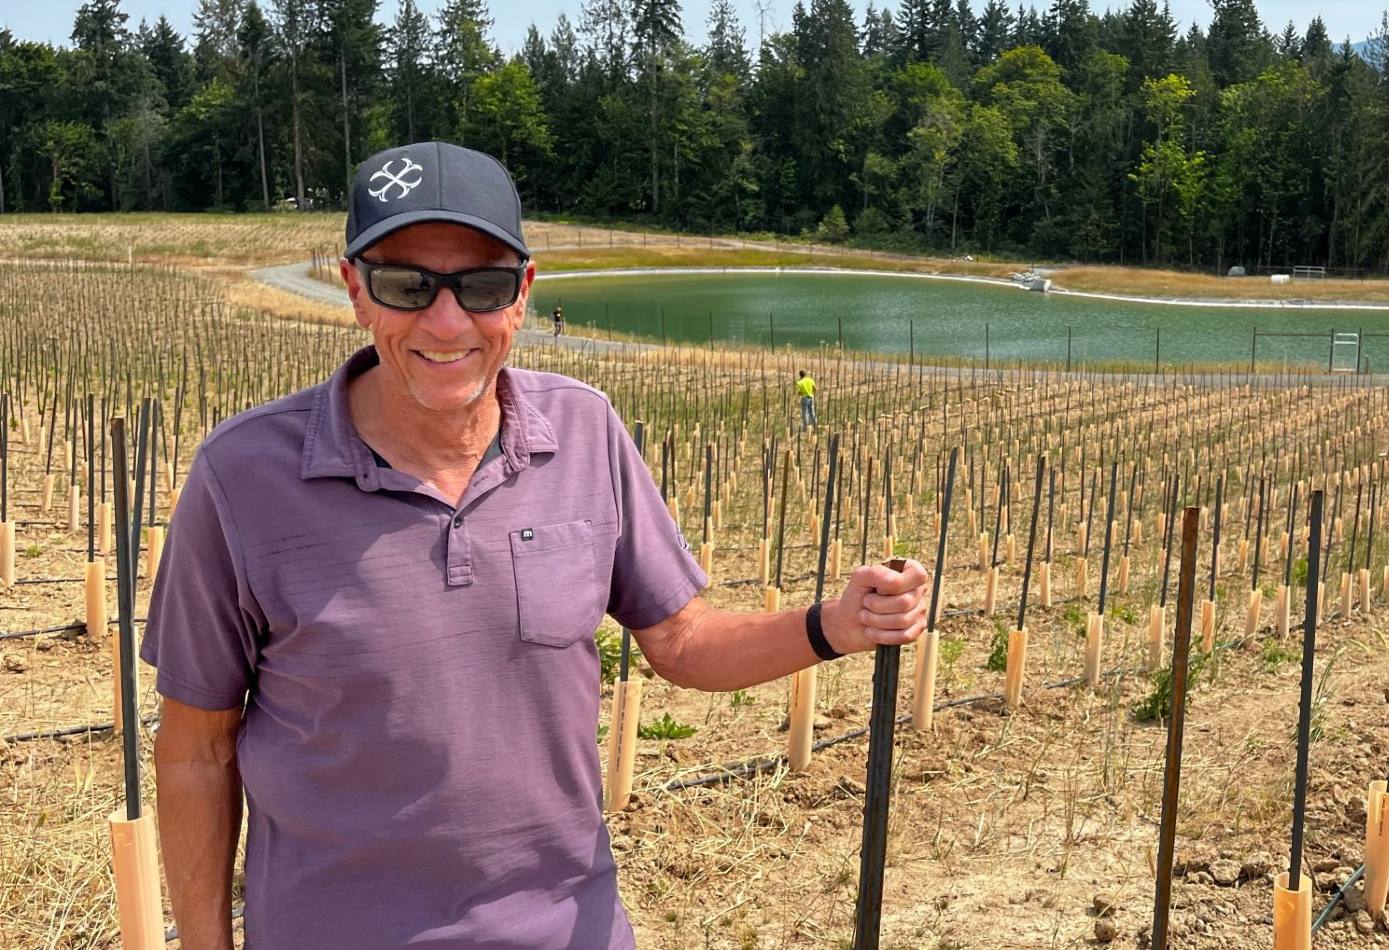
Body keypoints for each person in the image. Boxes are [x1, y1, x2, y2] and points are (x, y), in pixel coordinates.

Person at [142, 141, 929, 950]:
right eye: (408, 284)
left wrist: (834, 625)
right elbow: (197, 748)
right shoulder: (242, 476)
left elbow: (684, 640)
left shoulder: (585, 431)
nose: (446, 322)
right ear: (355, 291)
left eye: (480, 285)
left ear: (522, 294)